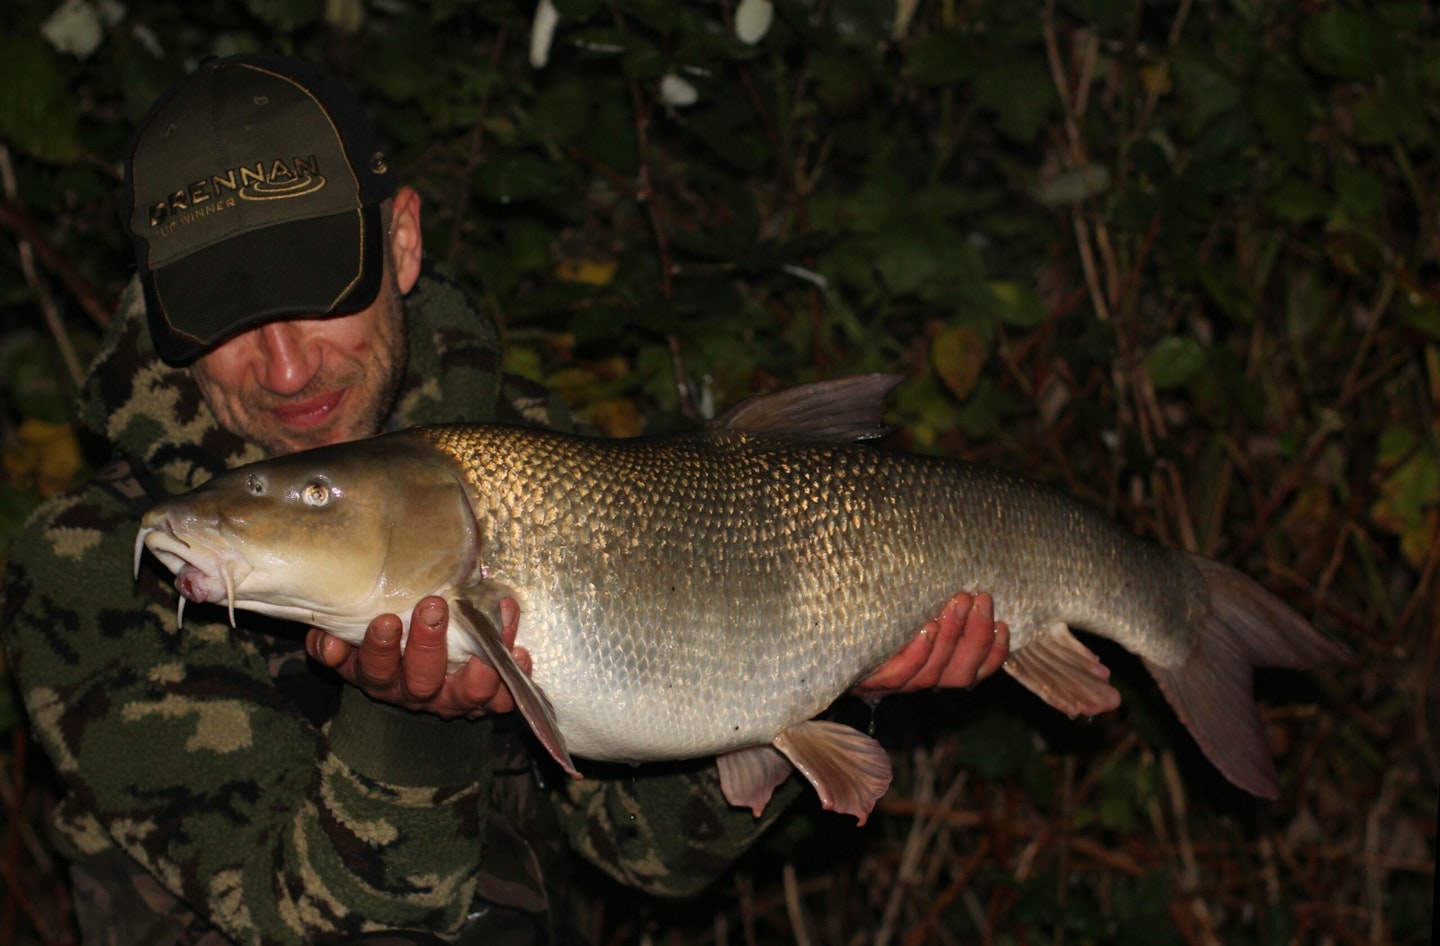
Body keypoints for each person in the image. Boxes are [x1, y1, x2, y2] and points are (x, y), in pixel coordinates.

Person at [1, 54, 1008, 945]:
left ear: (400, 244)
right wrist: (408, 721)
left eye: (315, 289)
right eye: (229, 317)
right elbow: (315, 919)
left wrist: (827, 666)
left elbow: (648, 857)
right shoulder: (86, 567)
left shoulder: (524, 441)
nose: (286, 364)